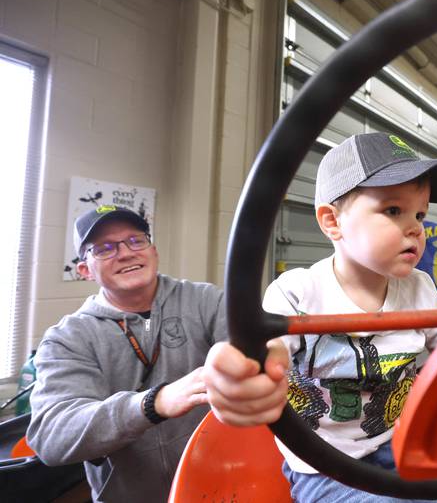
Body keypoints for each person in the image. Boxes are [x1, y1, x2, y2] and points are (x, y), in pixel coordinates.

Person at [202, 132, 437, 503]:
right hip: (323, 466)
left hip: (392, 445)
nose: (416, 228)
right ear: (332, 221)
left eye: (420, 214)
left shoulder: (419, 290)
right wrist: (255, 368)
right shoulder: (297, 293)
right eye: (394, 210)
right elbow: (267, 353)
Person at [26, 205, 287, 502]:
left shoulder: (206, 301)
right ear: (85, 269)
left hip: (224, 489)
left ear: (153, 250)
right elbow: (52, 436)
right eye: (105, 248)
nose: (126, 253)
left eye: (136, 240)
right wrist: (152, 404)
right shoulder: (67, 339)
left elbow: (256, 354)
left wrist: (268, 356)